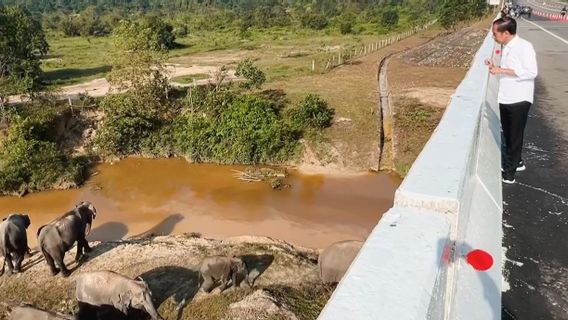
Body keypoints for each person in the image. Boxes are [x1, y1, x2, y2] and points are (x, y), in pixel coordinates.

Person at [485, 17, 538, 184]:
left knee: (515, 135)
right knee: (508, 133)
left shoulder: (524, 47)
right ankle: (517, 162)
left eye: (495, 33)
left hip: (519, 98)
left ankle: (509, 174)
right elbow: (509, 67)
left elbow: (531, 72)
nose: (493, 36)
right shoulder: (506, 46)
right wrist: (495, 66)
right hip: (506, 96)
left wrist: (501, 69)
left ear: (506, 33)